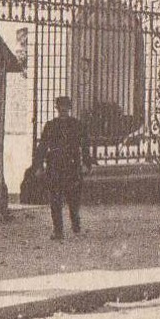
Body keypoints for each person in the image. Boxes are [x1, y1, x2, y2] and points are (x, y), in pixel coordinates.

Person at [35, 96, 93, 240]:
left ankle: (75, 221)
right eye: (61, 108)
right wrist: (39, 165)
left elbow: (85, 145)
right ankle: (58, 230)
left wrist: (86, 163)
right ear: (57, 109)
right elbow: (42, 146)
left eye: (66, 107)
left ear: (70, 108)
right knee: (55, 199)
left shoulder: (77, 125)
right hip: (55, 166)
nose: (63, 110)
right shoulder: (50, 126)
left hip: (72, 165)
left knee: (73, 198)